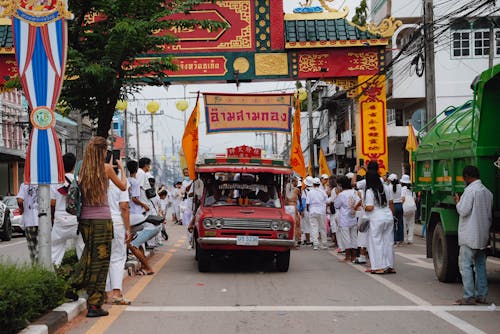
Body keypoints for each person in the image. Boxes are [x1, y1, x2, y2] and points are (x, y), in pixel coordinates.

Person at [69, 136, 127, 318]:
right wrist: (122, 169)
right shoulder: (107, 169)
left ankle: (72, 285)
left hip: (85, 220)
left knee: (89, 256)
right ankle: (94, 305)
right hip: (102, 221)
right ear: (102, 151)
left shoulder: (82, 169)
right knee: (100, 263)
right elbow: (123, 187)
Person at [454, 165, 493, 305]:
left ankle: (469, 296)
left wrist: (458, 203)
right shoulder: (488, 192)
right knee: (481, 265)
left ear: (467, 177)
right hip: (482, 235)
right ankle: (482, 295)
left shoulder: (470, 191)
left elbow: (463, 211)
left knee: (465, 265)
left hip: (469, 235)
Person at [50, 152, 84, 266]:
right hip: (76, 219)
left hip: (60, 219)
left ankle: (52, 278)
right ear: (74, 166)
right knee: (82, 249)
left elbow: (52, 203)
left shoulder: (55, 181)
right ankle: (83, 277)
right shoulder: (79, 180)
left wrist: (52, 218)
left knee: (55, 251)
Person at [105, 169, 131, 305]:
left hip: (99, 220)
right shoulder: (121, 183)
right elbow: (124, 207)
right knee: (117, 257)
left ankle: (102, 293)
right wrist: (128, 229)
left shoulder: (97, 180)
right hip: (116, 222)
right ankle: (116, 292)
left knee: (102, 257)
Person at [364, 163, 395, 274]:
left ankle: (378, 267)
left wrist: (364, 207)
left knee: (376, 242)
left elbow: (370, 207)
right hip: (388, 215)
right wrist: (393, 216)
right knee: (388, 241)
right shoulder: (386, 187)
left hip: (376, 217)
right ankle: (390, 266)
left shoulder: (369, 191)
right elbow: (391, 203)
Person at [334, 176, 361, 262]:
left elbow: (336, 205)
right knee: (354, 237)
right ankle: (354, 256)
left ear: (341, 185)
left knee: (346, 238)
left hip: (344, 218)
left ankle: (347, 256)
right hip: (353, 217)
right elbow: (359, 201)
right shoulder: (354, 192)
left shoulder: (341, 194)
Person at [17, 183, 39, 264]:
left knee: (33, 248)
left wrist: (22, 209)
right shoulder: (43, 183)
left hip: (29, 221)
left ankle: (35, 267)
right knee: (44, 247)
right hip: (43, 221)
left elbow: (19, 200)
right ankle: (44, 266)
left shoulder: (24, 185)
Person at [306, 178, 328, 250]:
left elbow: (308, 203)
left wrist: (308, 210)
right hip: (321, 211)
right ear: (319, 184)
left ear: (313, 184)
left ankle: (315, 244)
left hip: (313, 211)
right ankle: (324, 244)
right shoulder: (323, 192)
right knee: (323, 228)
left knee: (314, 227)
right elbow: (326, 201)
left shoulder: (310, 192)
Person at [389, 174, 404, 246]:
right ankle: (401, 240)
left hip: (393, 206)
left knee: (393, 223)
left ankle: (394, 240)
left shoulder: (389, 187)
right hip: (400, 205)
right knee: (400, 223)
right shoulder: (400, 187)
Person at [400, 174, 416, 245]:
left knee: (404, 224)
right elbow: (415, 199)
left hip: (405, 208)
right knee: (411, 224)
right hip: (412, 208)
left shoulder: (403, 188)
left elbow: (403, 198)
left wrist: (402, 205)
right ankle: (410, 239)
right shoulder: (412, 189)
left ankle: (405, 239)